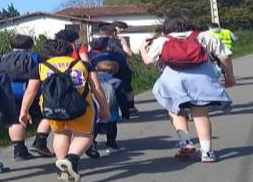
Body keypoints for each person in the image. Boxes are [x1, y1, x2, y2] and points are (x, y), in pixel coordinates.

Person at [141, 15, 235, 163]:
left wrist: (142, 47)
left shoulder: (163, 40)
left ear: (167, 28)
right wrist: (230, 76)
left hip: (173, 78)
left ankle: (185, 141)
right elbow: (224, 56)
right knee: (200, 113)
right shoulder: (204, 36)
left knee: (175, 109)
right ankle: (207, 152)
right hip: (202, 77)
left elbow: (148, 61)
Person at [19, 39, 110, 182]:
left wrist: (24, 111)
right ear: (69, 51)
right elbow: (96, 88)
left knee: (61, 133)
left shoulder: (41, 67)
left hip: (52, 107)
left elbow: (30, 91)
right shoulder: (84, 65)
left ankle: (62, 166)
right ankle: (71, 159)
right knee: (85, 135)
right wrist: (104, 108)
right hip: (81, 106)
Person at [0, 34, 54, 158]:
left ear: (10, 45)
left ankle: (19, 151)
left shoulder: (3, 58)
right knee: (47, 115)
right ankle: (40, 142)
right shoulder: (36, 57)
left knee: (14, 120)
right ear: (31, 46)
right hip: (33, 93)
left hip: (8, 94)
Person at [90, 35, 135, 120]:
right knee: (121, 95)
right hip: (115, 80)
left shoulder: (90, 58)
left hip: (97, 82)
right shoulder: (117, 55)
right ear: (106, 46)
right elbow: (124, 68)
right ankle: (125, 114)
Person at [92, 60, 125, 155]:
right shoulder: (117, 82)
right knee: (112, 127)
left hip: (96, 108)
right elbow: (122, 98)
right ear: (114, 71)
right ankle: (111, 145)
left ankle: (91, 144)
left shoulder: (93, 80)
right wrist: (125, 111)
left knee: (94, 127)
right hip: (112, 108)